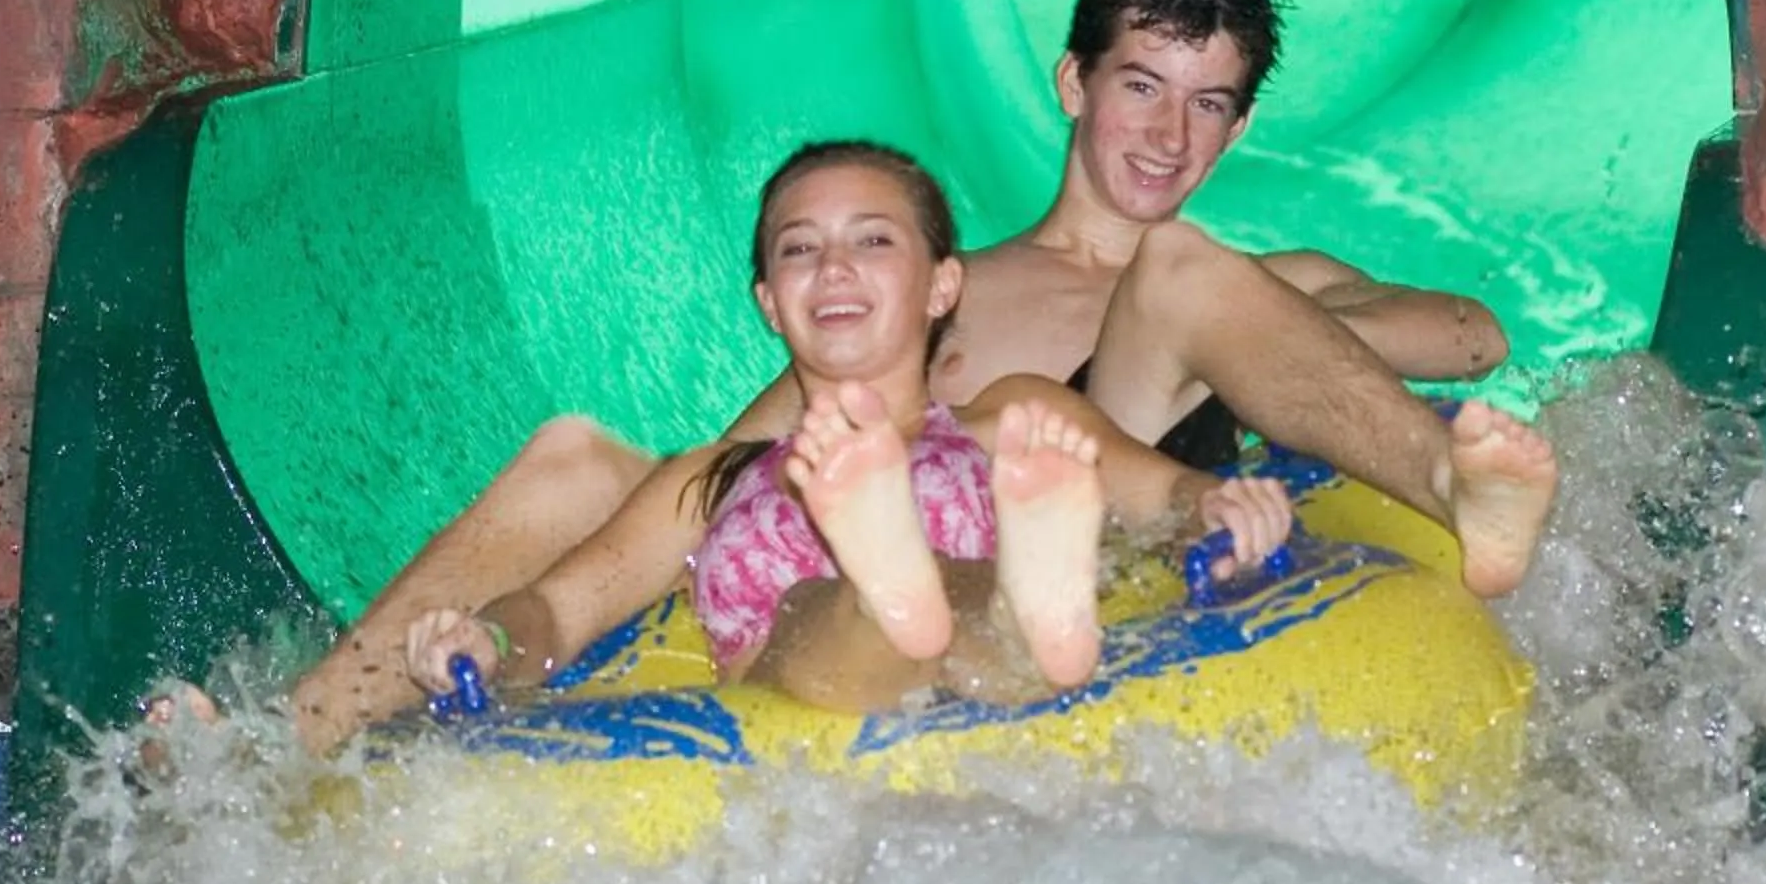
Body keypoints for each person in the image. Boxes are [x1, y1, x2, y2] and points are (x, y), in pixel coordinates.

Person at [276, 0, 1557, 754]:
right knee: (576, 453)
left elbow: (1472, 335)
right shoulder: (952, 291)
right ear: (1075, 85)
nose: (1169, 136)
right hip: (926, 525)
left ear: (1239, 126)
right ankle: (310, 730)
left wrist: (1261, 327)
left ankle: (1451, 492)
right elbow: (751, 459)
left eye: (1208, 105)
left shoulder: (1250, 281)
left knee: (1173, 267)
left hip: (1090, 505)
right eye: (1140, 88)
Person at [390, 140, 1295, 715]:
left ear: (942, 285)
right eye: (800, 249)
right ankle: (910, 595)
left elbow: (1162, 493)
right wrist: (489, 640)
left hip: (973, 661)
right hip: (810, 698)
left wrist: (1219, 507)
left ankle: (1003, 605)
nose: (833, 268)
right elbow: (559, 609)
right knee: (810, 607)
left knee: (955, 591)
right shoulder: (711, 480)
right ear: (769, 304)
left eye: (872, 240)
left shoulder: (1010, 421)